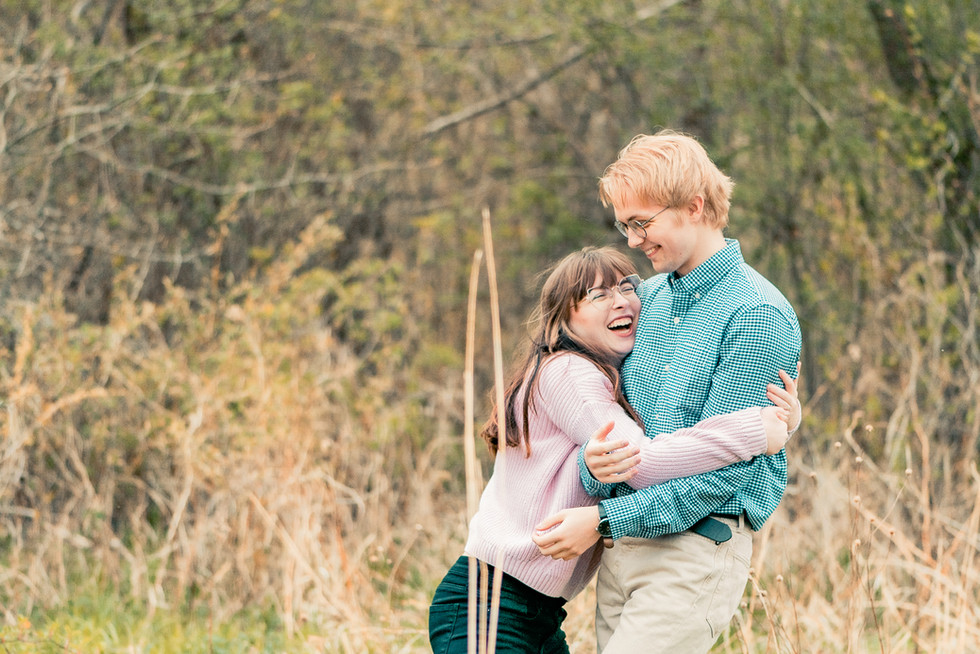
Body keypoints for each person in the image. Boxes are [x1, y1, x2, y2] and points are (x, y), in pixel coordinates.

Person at [428, 246, 800, 654]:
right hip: (490, 605)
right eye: (597, 295)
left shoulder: (605, 374)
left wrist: (784, 419)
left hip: (534, 612)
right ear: (563, 320)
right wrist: (753, 431)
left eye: (626, 286)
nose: (620, 300)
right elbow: (640, 462)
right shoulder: (570, 373)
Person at [539, 130, 804, 653]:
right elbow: (603, 416)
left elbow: (725, 475)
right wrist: (592, 475)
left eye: (642, 223)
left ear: (695, 206)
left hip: (692, 549)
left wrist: (602, 517)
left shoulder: (754, 315)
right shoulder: (645, 299)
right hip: (619, 551)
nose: (632, 241)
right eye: (624, 225)